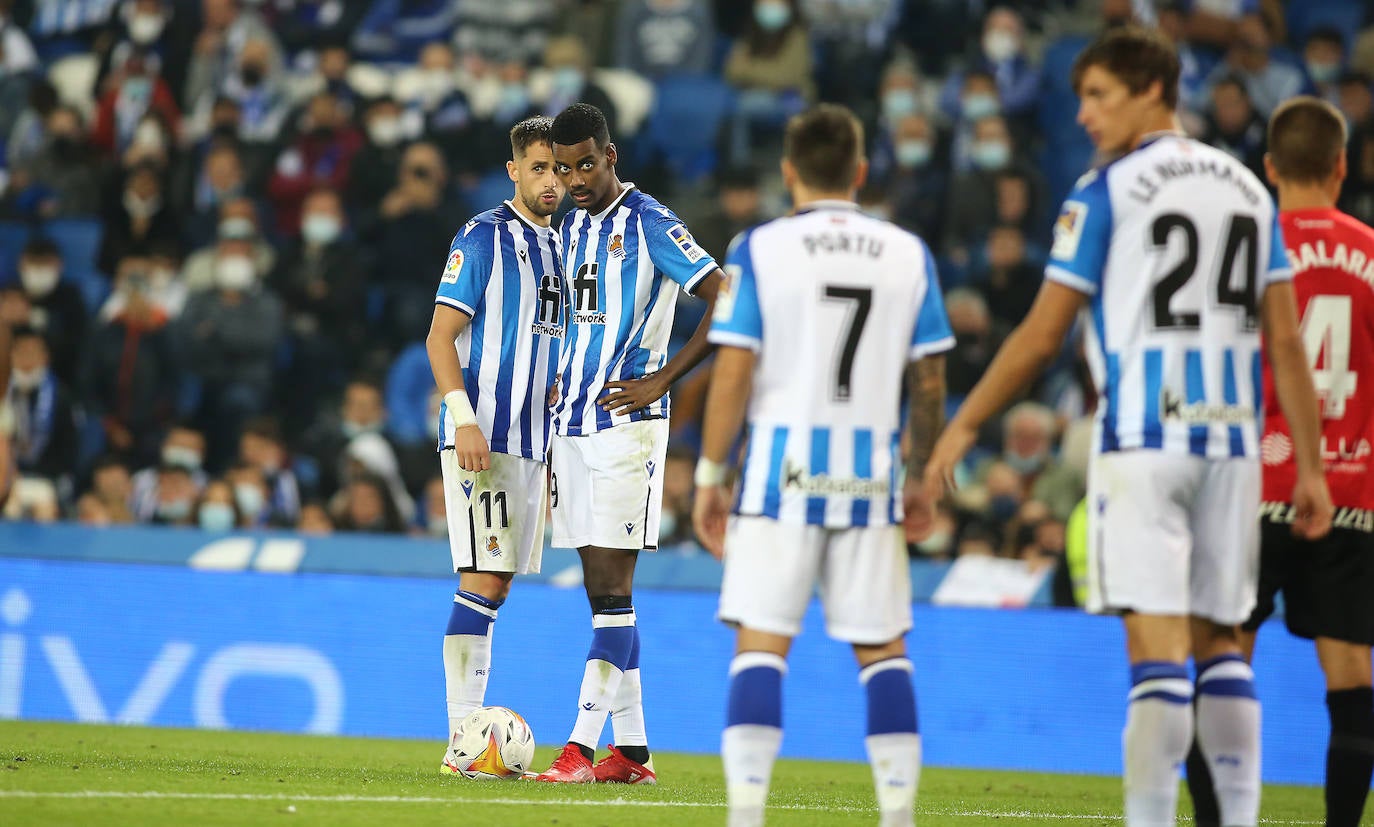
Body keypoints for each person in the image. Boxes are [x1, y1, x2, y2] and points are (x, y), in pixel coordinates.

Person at [921, 27, 1333, 827]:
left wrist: (964, 424)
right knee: (1221, 643)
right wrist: (1310, 470)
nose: (1082, 115)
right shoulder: (1249, 188)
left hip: (1144, 441)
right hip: (1233, 445)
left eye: (1099, 94)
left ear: (1153, 90)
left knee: (1155, 652)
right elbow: (1286, 342)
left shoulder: (1107, 189)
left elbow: (1043, 333)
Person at [691, 103, 952, 827]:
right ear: (861, 172)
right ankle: (896, 815)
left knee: (762, 642)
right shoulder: (907, 252)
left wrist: (711, 474)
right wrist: (922, 471)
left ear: (788, 173)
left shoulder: (760, 246)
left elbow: (734, 367)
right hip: (869, 479)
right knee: (884, 649)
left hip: (780, 476)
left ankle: (747, 815)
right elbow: (929, 382)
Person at [1186, 97, 1374, 827]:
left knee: (1225, 656)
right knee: (1353, 672)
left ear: (1267, 167)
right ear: (1341, 166)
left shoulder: (1240, 255)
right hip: (1352, 488)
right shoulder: (1369, 252)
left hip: (1247, 484)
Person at [533, 103, 725, 785]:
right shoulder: (569, 223)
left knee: (613, 589)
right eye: (564, 166)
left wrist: (663, 377)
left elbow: (724, 298)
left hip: (626, 428)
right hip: (573, 425)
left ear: (610, 156)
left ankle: (579, 750)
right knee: (602, 592)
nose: (576, 177)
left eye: (587, 162)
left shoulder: (650, 222)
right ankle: (634, 752)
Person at [424, 116, 565, 776]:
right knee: (480, 576)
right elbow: (439, 336)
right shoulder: (482, 236)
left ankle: (468, 741)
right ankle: (462, 742)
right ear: (514, 170)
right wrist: (462, 417)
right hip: (485, 434)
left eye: (559, 169)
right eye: (537, 167)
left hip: (535, 442)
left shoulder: (568, 245)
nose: (550, 181)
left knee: (496, 582)